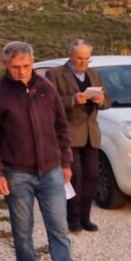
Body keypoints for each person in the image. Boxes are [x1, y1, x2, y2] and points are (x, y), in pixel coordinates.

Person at [0, 41, 80, 261]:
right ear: (5, 65)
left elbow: (61, 128)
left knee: (59, 230)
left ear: (33, 62)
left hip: (51, 172)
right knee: (22, 233)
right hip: (16, 174)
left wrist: (66, 163)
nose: (21, 71)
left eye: (26, 66)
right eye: (15, 67)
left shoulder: (47, 88)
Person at [45, 39, 110, 233]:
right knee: (74, 177)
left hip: (91, 134)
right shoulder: (55, 74)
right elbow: (48, 103)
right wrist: (71, 100)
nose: (84, 62)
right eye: (80, 58)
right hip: (69, 134)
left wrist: (101, 100)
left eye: (87, 58)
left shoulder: (95, 74)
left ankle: (85, 217)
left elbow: (108, 102)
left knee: (92, 176)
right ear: (70, 56)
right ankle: (72, 218)